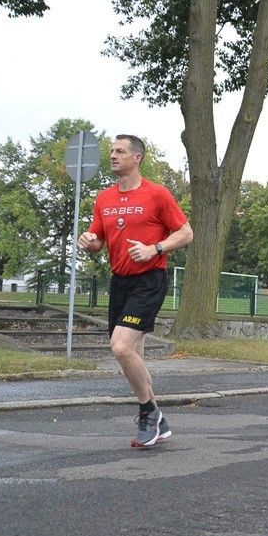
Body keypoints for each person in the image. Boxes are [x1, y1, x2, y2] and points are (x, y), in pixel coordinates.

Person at [77, 134, 193, 447]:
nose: (112, 156)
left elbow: (185, 233)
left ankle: (148, 413)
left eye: (119, 151)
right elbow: (98, 240)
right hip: (120, 282)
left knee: (120, 346)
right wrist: (88, 243)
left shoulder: (157, 194)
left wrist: (155, 248)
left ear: (136, 158)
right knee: (133, 355)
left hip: (149, 280)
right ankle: (159, 420)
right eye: (111, 151)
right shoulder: (104, 199)